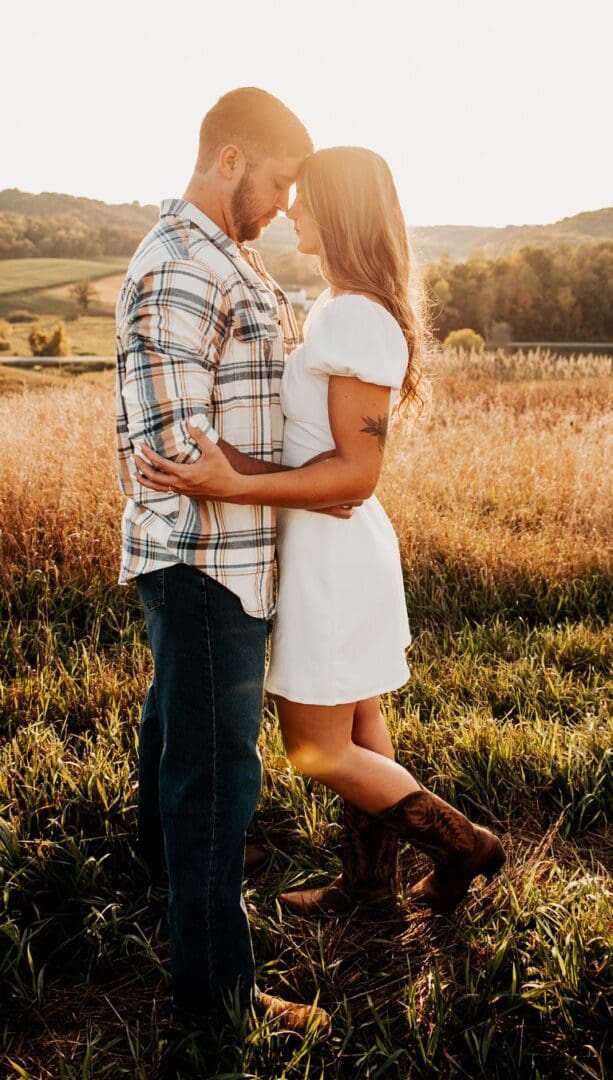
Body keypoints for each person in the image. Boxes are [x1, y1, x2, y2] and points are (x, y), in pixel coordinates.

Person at [135, 146, 506, 922]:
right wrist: (224, 462)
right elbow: (317, 454)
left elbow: (355, 473)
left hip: (331, 561)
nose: (291, 211)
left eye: (304, 200)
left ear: (336, 212)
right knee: (361, 721)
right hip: (334, 548)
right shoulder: (353, 308)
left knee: (315, 747)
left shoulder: (349, 315)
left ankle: (464, 846)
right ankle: (368, 889)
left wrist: (239, 485)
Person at [116, 87, 333, 1035]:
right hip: (205, 558)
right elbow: (173, 444)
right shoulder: (177, 267)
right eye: (281, 181)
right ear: (231, 157)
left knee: (178, 739)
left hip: (229, 554)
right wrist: (311, 483)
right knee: (216, 780)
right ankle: (219, 1005)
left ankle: (156, 887)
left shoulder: (228, 258)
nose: (288, 205)